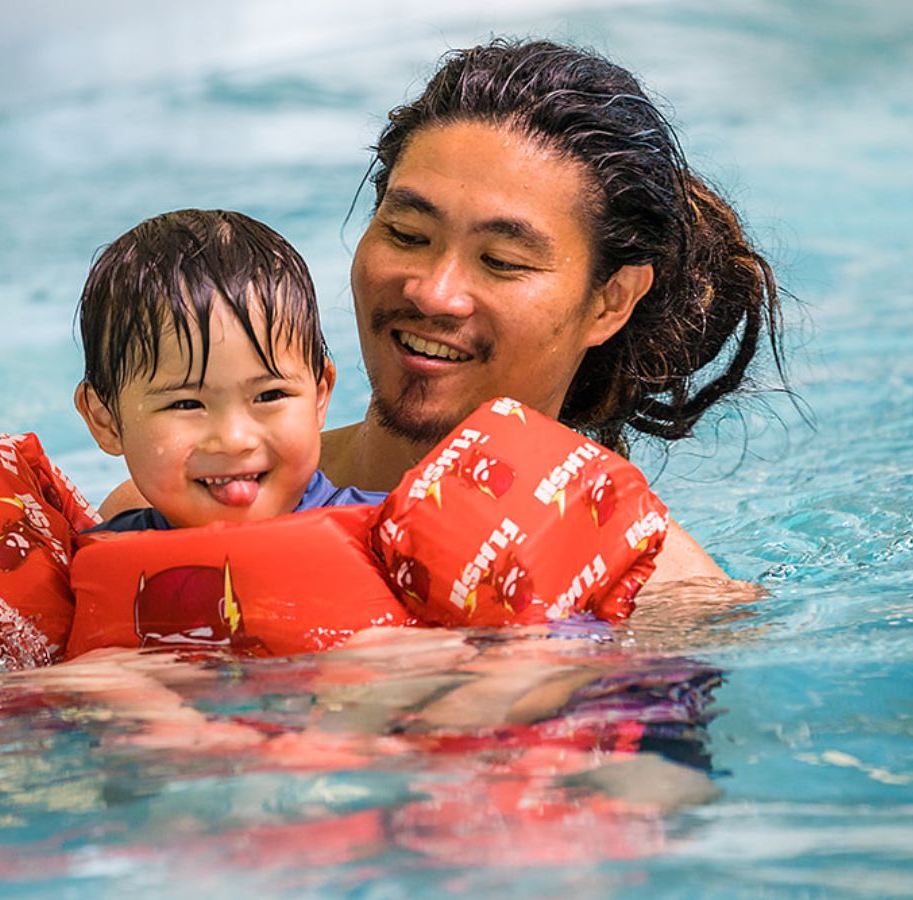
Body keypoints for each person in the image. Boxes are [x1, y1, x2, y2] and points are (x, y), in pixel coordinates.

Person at [101, 39, 784, 584]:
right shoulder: (176, 507)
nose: (433, 292)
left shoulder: (653, 593)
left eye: (503, 261)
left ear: (609, 301)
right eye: (407, 236)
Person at [74, 208, 384, 532]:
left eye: (269, 395)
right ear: (105, 419)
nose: (235, 440)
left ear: (319, 398)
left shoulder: (387, 537)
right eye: (186, 404)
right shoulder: (99, 560)